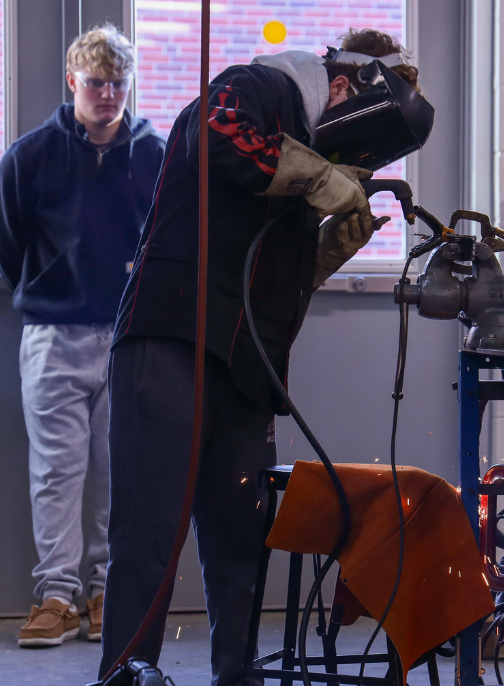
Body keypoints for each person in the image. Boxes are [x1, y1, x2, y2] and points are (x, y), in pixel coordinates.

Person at [98, 28, 430, 685]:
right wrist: (318, 177)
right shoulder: (257, 87)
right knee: (149, 539)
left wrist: (327, 246)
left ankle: (236, 674)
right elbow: (219, 136)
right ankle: (125, 674)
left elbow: (273, 287)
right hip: (171, 340)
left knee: (240, 543)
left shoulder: (309, 149)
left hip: (246, 368)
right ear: (342, 86)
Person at [0, 24, 165, 647]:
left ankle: (106, 593)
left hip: (129, 335)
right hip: (52, 332)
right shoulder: (30, 155)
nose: (107, 94)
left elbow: (165, 241)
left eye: (117, 84)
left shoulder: (153, 154)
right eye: (95, 83)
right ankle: (56, 598)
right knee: (56, 472)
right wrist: (49, 291)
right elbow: (9, 243)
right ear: (73, 81)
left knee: (119, 471)